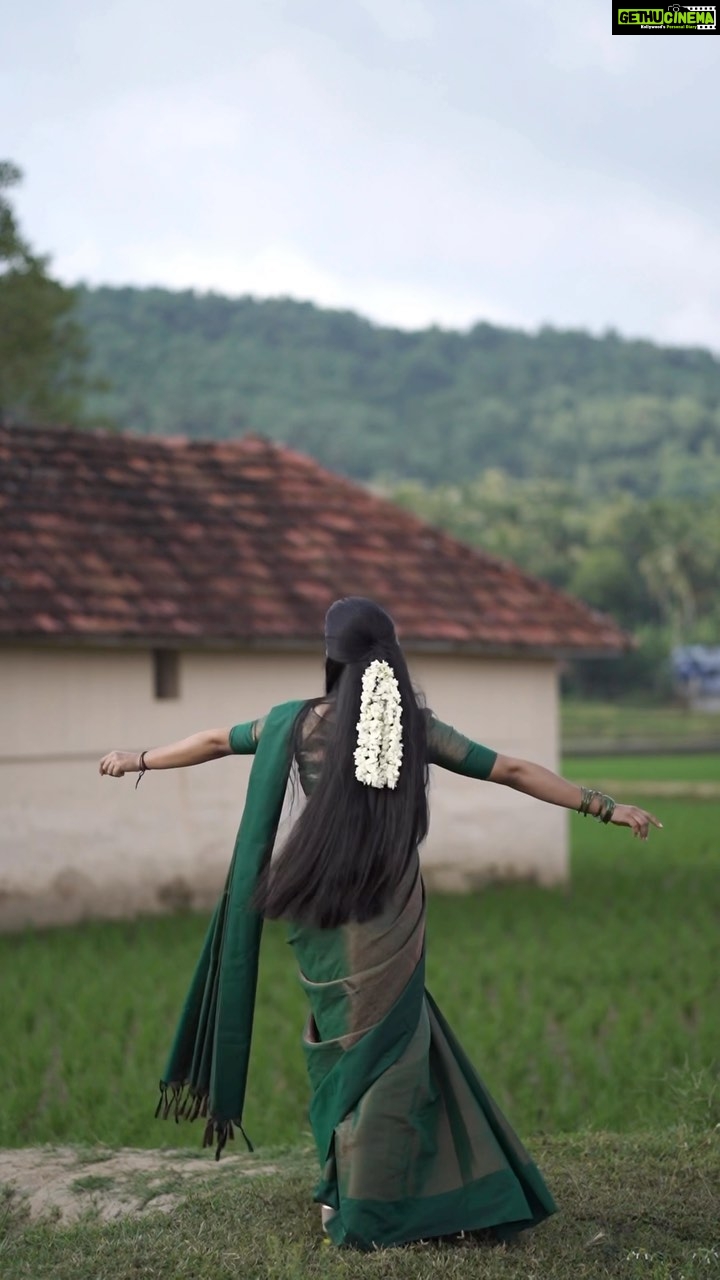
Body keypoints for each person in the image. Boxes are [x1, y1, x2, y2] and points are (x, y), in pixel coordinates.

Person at [99, 596, 661, 1251]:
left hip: (316, 911)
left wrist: (137, 758)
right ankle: (372, 1198)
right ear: (389, 654)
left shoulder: (294, 723)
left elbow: (212, 741)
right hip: (388, 916)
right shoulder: (411, 727)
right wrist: (604, 806)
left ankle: (348, 1198)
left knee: (340, 1055)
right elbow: (509, 768)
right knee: (390, 1058)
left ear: (331, 658)